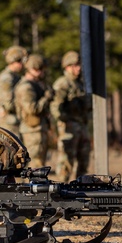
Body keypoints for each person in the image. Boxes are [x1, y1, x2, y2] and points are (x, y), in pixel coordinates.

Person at [50, 51, 92, 182]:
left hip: (82, 125)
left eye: (79, 65)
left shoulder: (80, 84)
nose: (78, 68)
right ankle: (62, 189)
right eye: (74, 65)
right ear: (67, 67)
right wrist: (64, 121)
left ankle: (80, 188)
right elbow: (55, 107)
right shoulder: (62, 83)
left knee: (84, 159)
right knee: (66, 162)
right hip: (69, 127)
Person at [13, 54, 53, 169]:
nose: (42, 73)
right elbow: (32, 109)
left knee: (39, 165)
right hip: (33, 132)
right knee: (35, 167)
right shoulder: (26, 87)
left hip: (38, 130)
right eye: (39, 69)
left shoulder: (36, 85)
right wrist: (46, 98)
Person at [0, 46, 27, 135]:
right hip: (9, 122)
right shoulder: (7, 78)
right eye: (19, 61)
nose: (22, 65)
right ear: (13, 61)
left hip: (14, 120)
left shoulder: (15, 77)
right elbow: (8, 104)